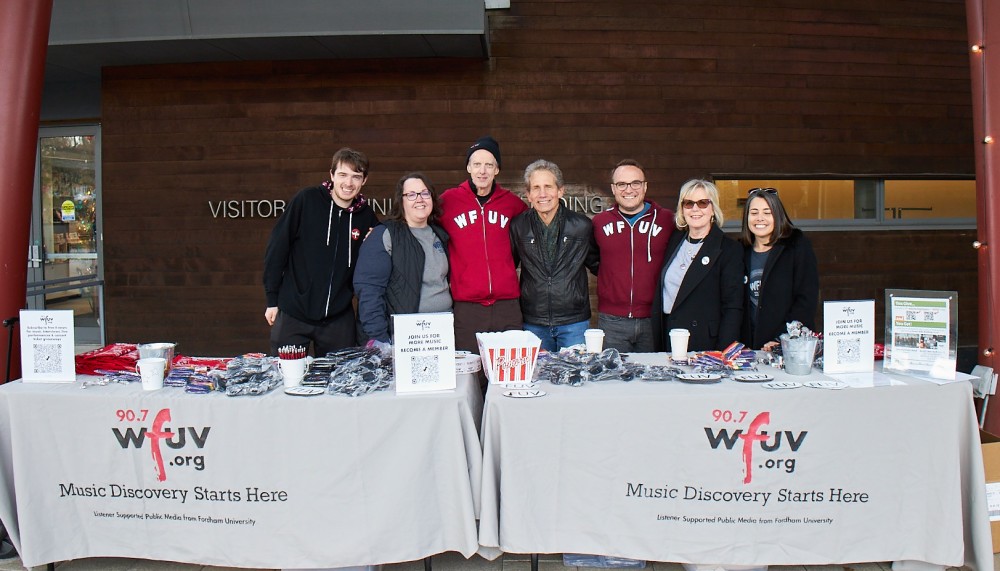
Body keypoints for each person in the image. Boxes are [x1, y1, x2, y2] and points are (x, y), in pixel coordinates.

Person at [262, 147, 379, 356]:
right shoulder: (306, 200)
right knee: (286, 373)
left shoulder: (366, 216)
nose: (348, 183)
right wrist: (272, 300)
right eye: (342, 174)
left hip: (338, 318)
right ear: (332, 175)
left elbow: (378, 259)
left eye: (356, 176)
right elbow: (277, 249)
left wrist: (376, 238)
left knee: (339, 374)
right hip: (294, 313)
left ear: (364, 181)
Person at [439, 136, 528, 353]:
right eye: (477, 164)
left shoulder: (512, 204)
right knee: (471, 369)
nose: (482, 171)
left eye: (489, 165)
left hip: (507, 304)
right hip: (467, 307)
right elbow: (419, 220)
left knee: (509, 365)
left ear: (497, 170)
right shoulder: (448, 201)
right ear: (468, 167)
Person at [353, 173, 451, 348]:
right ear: (401, 201)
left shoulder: (440, 234)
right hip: (405, 337)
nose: (419, 199)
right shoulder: (385, 234)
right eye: (411, 194)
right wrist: (379, 339)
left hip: (441, 334)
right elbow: (369, 290)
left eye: (425, 193)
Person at [510, 159, 599, 352]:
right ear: (528, 194)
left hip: (574, 322)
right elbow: (507, 268)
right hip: (533, 321)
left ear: (560, 191)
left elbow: (599, 265)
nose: (542, 194)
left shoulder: (581, 226)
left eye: (548, 187)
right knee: (538, 372)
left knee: (576, 370)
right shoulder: (519, 226)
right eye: (536, 188)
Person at [652, 179, 743, 353]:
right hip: (671, 335)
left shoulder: (729, 249)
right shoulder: (675, 240)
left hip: (705, 343)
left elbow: (733, 306)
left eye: (702, 203)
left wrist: (723, 352)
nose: (695, 209)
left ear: (713, 208)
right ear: (682, 209)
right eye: (689, 203)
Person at [593, 159, 674, 352]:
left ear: (645, 186)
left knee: (654, 370)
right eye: (622, 184)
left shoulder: (667, 220)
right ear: (613, 188)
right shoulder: (599, 222)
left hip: (654, 317)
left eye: (635, 183)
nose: (628, 189)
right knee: (613, 370)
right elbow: (593, 258)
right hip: (612, 320)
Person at [740, 187, 819, 350]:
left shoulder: (796, 246)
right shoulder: (740, 251)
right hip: (749, 350)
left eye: (767, 212)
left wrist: (782, 339)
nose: (760, 218)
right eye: (754, 213)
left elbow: (806, 300)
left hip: (789, 347)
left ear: (777, 215)